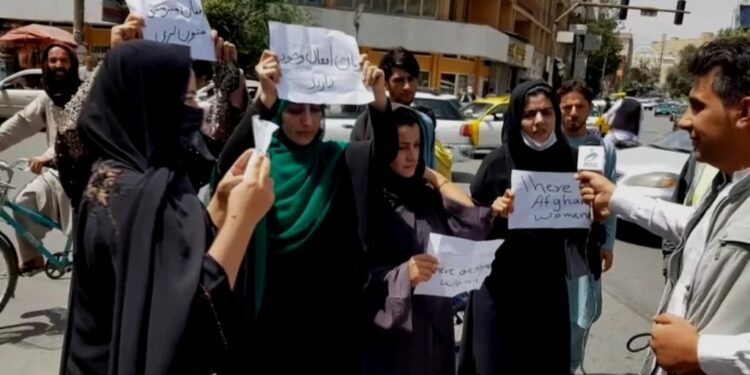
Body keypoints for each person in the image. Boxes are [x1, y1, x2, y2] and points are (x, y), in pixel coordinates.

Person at [60, 40, 274, 374]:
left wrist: (219, 204)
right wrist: (242, 220)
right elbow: (192, 310)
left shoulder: (124, 177)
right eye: (187, 99)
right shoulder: (128, 195)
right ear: (149, 105)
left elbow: (174, 252)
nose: (198, 111)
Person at [578, 37, 750, 375]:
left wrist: (704, 352)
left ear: (744, 112)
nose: (684, 121)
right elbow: (697, 226)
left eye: (698, 107)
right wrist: (616, 198)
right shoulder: (727, 186)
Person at [216, 50, 394, 373]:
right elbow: (225, 168)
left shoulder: (336, 160)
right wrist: (265, 98)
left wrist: (378, 97)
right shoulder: (258, 163)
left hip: (327, 330)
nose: (308, 121)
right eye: (296, 110)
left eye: (316, 110)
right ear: (280, 113)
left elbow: (383, 156)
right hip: (266, 327)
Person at [458, 80, 607, 375]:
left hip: (546, 291)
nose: (539, 121)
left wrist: (595, 217)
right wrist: (492, 212)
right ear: (517, 118)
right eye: (529, 115)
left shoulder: (570, 161)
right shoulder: (497, 162)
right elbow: (467, 222)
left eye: (546, 112)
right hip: (500, 288)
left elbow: (580, 235)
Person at [56, 13, 248, 210]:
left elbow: (220, 139)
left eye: (190, 96)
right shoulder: (103, 178)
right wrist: (113, 62)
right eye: (187, 98)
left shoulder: (180, 165)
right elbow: (71, 139)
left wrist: (227, 72)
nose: (196, 108)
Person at [363, 105, 493, 375]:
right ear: (382, 149)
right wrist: (402, 275)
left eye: (417, 145)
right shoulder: (370, 204)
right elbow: (356, 275)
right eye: (401, 147)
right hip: (395, 337)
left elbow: (471, 221)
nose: (412, 156)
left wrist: (434, 177)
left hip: (435, 326)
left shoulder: (426, 196)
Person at [0, 42, 81, 273]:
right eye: (53, 61)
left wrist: (46, 156)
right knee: (22, 203)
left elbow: (76, 134)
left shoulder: (84, 96)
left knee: (84, 237)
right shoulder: (47, 98)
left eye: (63, 60)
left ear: (72, 64)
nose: (58, 65)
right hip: (55, 174)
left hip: (81, 175)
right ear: (45, 65)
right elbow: (21, 124)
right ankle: (32, 257)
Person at [558, 79, 618, 373]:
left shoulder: (603, 147)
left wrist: (607, 243)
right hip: (552, 247)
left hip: (586, 246)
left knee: (578, 316)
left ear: (589, 109)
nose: (572, 112)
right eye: (566, 106)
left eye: (579, 106)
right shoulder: (549, 144)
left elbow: (612, 200)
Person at [352, 47, 453, 180]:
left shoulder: (425, 120)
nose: (407, 86)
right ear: (385, 84)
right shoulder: (371, 119)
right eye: (399, 80)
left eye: (411, 79)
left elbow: (430, 166)